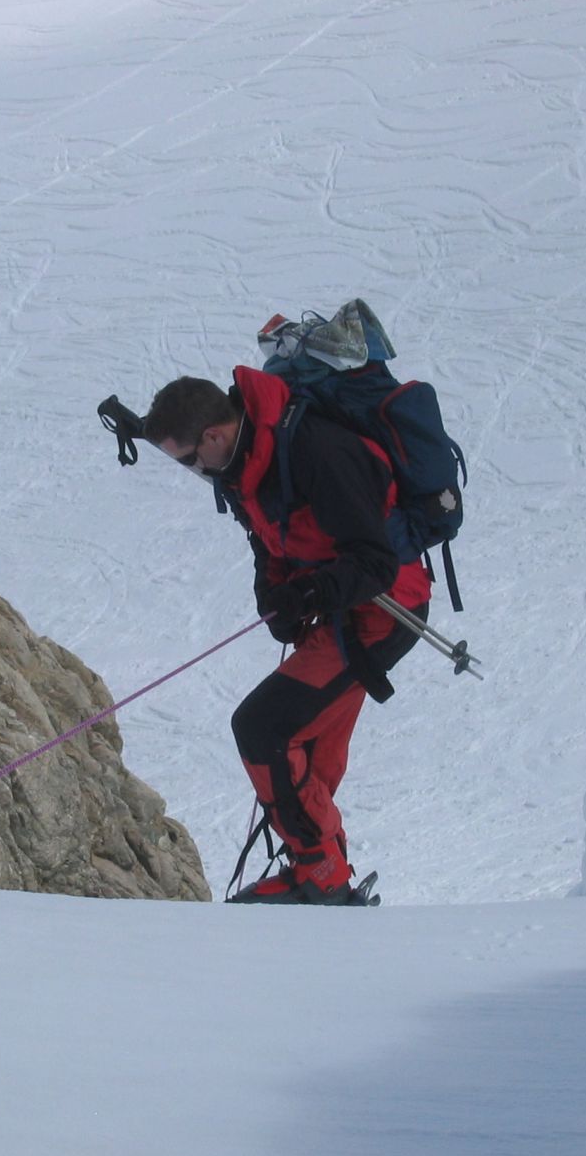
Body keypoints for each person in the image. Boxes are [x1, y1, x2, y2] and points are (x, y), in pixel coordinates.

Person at [144, 367, 429, 904]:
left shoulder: (318, 452)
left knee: (264, 728)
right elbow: (268, 537)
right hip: (344, 611)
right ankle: (324, 868)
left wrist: (311, 593)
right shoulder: (246, 457)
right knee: (307, 744)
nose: (191, 471)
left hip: (386, 611)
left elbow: (376, 563)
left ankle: (320, 874)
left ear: (213, 435)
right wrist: (275, 597)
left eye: (187, 460)